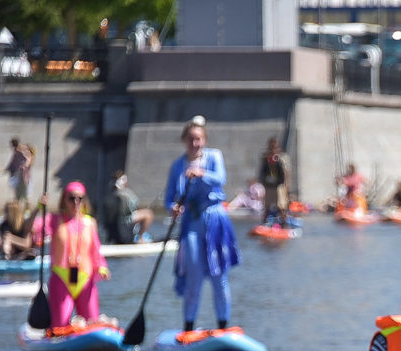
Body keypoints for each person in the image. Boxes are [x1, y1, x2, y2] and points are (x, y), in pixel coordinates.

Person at [164, 115, 241, 332]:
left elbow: (221, 179)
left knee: (219, 277)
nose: (194, 143)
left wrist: (201, 173)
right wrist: (173, 207)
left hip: (215, 221)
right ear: (184, 140)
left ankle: (223, 326)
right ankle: (188, 328)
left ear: (204, 140)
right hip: (192, 224)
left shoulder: (214, 157)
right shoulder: (178, 165)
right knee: (193, 278)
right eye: (190, 139)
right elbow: (169, 197)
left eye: (198, 139)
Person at [41, 182, 112, 329]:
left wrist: (102, 268)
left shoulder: (90, 223)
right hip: (62, 278)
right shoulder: (54, 220)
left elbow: (96, 250)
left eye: (80, 198)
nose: (76, 202)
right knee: (60, 326)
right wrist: (39, 209)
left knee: (92, 323)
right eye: (71, 198)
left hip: (85, 280)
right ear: (64, 200)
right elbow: (32, 230)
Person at [104, 170, 154, 245]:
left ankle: (140, 235)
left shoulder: (121, 191)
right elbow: (129, 207)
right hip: (125, 218)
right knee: (148, 214)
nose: (125, 182)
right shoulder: (119, 193)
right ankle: (140, 237)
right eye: (123, 180)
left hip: (125, 217)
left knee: (146, 212)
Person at [258, 137, 292, 225]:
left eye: (275, 147)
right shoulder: (266, 158)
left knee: (281, 207)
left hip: (279, 186)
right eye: (271, 147)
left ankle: (284, 224)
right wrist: (264, 182)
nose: (273, 149)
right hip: (269, 186)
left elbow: (286, 173)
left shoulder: (282, 158)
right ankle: (264, 225)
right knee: (267, 207)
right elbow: (262, 172)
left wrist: (286, 186)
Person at [5, 138, 33, 202]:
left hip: (24, 175)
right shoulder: (16, 151)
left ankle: (27, 209)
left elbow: (29, 158)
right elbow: (13, 160)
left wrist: (25, 165)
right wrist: (8, 167)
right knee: (17, 193)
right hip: (18, 175)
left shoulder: (23, 149)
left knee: (26, 194)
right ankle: (17, 207)